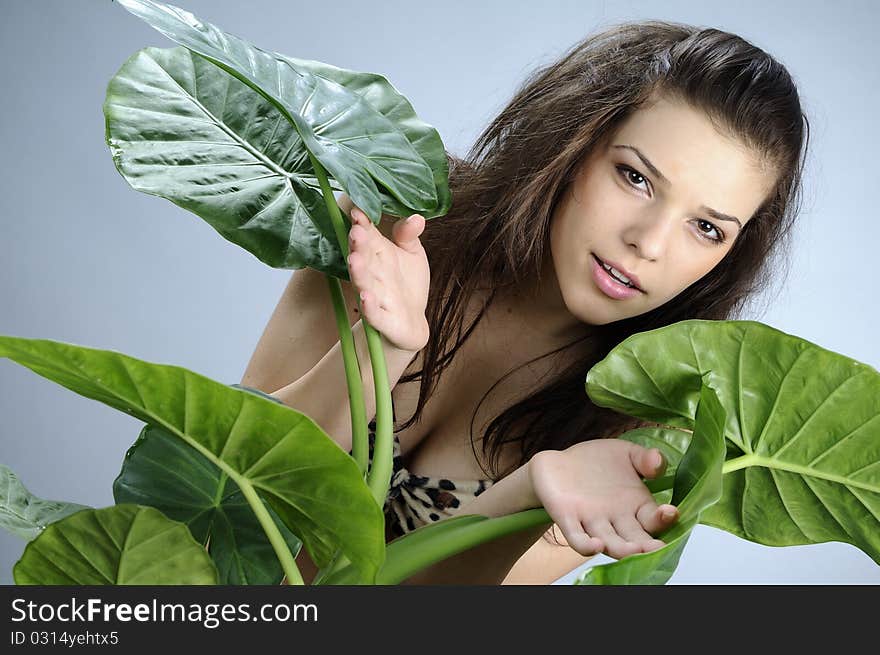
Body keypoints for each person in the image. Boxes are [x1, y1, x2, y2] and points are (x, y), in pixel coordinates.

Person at [240, 20, 808, 584]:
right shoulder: (397, 221)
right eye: (635, 177)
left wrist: (531, 486)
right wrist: (383, 346)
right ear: (575, 141)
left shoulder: (646, 424)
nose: (649, 243)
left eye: (706, 227)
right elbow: (226, 469)